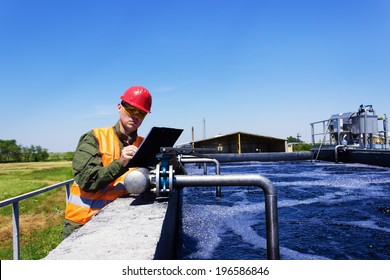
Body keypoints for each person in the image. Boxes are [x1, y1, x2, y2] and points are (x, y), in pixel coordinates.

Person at [62, 86, 153, 239]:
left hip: (119, 224)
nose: (135, 116)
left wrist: (172, 163)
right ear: (119, 107)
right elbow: (86, 180)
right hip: (83, 223)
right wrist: (121, 162)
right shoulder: (94, 137)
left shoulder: (144, 145)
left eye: (141, 113)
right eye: (131, 109)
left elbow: (174, 178)